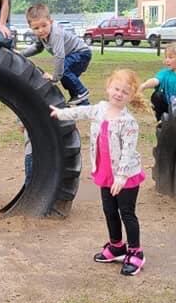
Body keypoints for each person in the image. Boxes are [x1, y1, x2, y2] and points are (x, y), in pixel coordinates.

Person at [50, 69, 148, 276]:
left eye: (125, 92)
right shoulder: (100, 109)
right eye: (116, 88)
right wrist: (61, 113)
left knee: (127, 213)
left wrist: (121, 177)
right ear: (108, 87)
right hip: (105, 173)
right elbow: (81, 112)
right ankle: (116, 246)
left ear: (131, 96)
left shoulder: (128, 122)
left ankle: (135, 252)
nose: (119, 94)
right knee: (109, 211)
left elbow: (128, 151)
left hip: (125, 176)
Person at [21, 3, 92, 105]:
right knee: (67, 80)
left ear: (51, 21)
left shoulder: (56, 33)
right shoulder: (41, 35)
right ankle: (84, 104)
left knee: (62, 69)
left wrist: (55, 78)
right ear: (30, 27)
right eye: (36, 28)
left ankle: (82, 91)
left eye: (44, 25)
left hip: (81, 53)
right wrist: (21, 54)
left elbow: (59, 56)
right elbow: (37, 48)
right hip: (72, 55)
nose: (41, 30)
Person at [139, 41, 176, 121]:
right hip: (166, 106)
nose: (167, 60)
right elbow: (155, 80)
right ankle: (161, 120)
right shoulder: (165, 73)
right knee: (157, 96)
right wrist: (144, 85)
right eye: (166, 57)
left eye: (170, 57)